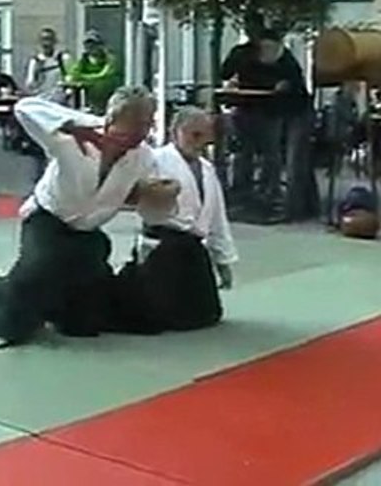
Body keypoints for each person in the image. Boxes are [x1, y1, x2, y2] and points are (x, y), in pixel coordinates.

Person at [0, 86, 170, 345]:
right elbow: (24, 108)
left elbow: (147, 205)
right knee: (23, 310)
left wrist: (158, 197)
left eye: (145, 125)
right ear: (110, 121)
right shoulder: (73, 140)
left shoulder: (144, 157)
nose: (138, 135)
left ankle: (61, 305)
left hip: (87, 234)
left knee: (85, 324)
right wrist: (72, 124)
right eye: (131, 128)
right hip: (47, 222)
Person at [114, 107, 237, 333]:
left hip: (193, 249)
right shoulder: (155, 160)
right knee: (155, 317)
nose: (200, 142)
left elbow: (217, 217)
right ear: (175, 132)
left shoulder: (208, 170)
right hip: (161, 245)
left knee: (208, 314)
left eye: (205, 136)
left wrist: (223, 260)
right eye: (194, 135)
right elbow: (129, 195)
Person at [222, 28, 307, 217]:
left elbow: (295, 82)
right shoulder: (243, 54)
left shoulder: (284, 59)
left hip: (270, 110)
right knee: (247, 152)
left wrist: (285, 86)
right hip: (249, 107)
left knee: (268, 153)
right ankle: (247, 191)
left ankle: (267, 191)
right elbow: (226, 72)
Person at [67, 30, 121, 114]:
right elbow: (73, 76)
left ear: (100, 45)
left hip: (110, 101)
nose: (90, 47)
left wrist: (84, 79)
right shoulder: (84, 60)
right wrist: (87, 80)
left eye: (94, 44)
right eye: (87, 45)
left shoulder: (109, 59)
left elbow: (105, 75)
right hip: (90, 103)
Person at [24, 27, 68, 98]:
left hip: (59, 98)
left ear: (55, 41)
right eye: (43, 39)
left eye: (49, 39)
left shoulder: (62, 58)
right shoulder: (35, 60)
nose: (46, 43)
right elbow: (30, 83)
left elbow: (69, 78)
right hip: (42, 98)